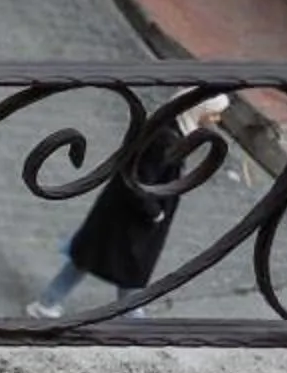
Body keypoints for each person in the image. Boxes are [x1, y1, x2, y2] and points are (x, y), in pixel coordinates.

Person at [27, 94, 228, 319]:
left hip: (119, 214)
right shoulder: (165, 140)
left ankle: (47, 302)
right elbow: (139, 181)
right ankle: (131, 325)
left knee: (88, 258)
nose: (217, 119)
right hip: (131, 220)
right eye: (213, 113)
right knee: (127, 274)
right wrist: (155, 213)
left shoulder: (168, 129)